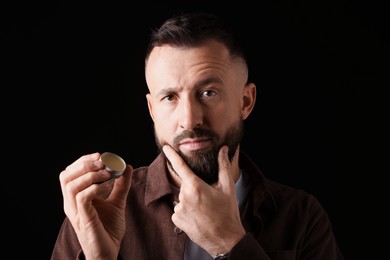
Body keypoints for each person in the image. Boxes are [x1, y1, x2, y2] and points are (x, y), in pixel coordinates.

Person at [51, 11, 344, 260]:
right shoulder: (96, 212)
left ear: (246, 102)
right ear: (152, 110)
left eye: (208, 92)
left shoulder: (302, 217)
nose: (190, 120)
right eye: (170, 97)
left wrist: (229, 242)